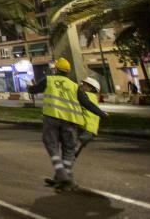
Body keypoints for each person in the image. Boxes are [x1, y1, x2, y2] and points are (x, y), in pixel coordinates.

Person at [28, 58, 106, 192]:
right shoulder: (74, 86)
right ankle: (62, 179)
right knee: (69, 151)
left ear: (56, 69)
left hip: (53, 118)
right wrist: (101, 113)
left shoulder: (50, 80)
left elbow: (33, 90)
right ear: (68, 72)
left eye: (86, 84)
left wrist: (29, 87)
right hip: (71, 121)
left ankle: (63, 176)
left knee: (52, 146)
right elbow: (86, 103)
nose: (83, 85)